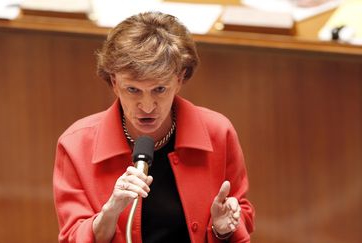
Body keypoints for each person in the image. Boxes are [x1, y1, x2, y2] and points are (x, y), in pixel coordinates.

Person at [53, 12, 255, 243]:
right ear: (114, 82)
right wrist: (110, 212)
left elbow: (242, 212)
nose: (147, 107)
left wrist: (223, 228)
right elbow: (71, 237)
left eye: (159, 89)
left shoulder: (218, 132)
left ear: (180, 79)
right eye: (133, 90)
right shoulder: (76, 145)